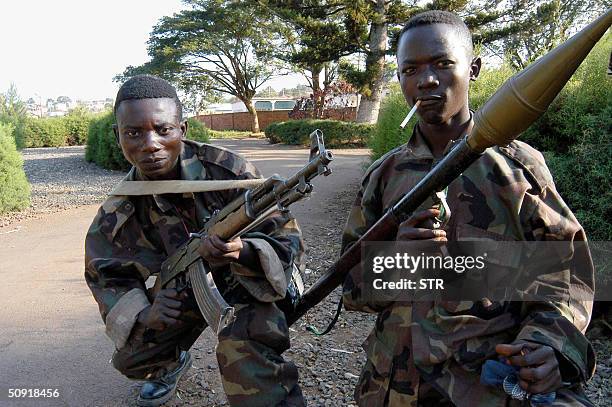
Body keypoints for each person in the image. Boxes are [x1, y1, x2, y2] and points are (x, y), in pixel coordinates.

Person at [341, 11, 595, 407]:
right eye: (411, 69)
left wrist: (548, 344)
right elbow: (352, 288)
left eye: (443, 64)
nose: (426, 80)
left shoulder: (517, 169)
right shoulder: (384, 176)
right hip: (394, 388)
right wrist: (395, 264)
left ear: (473, 68)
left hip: (488, 387)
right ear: (401, 80)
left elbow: (566, 274)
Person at [85, 75, 305, 407]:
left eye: (163, 130)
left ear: (182, 130)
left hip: (247, 280)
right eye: (133, 133)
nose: (150, 144)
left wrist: (243, 251)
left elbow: (288, 241)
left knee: (243, 350)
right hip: (185, 285)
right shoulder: (120, 210)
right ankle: (171, 366)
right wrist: (146, 313)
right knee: (134, 357)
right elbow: (106, 274)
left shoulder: (229, 173)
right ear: (118, 137)